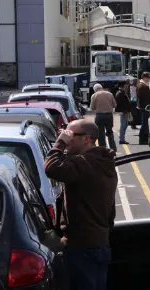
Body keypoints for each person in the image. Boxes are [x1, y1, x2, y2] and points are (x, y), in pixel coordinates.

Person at [44, 119, 117, 290]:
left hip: (82, 246)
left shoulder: (85, 164)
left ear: (86, 139)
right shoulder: (102, 161)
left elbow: (52, 168)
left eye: (71, 135)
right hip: (100, 243)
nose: (67, 138)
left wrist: (60, 144)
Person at [89, 84, 117, 150]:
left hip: (99, 116)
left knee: (100, 134)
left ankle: (103, 149)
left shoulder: (94, 95)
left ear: (95, 90)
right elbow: (115, 105)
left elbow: (92, 107)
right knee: (110, 132)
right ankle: (113, 148)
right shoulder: (110, 94)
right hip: (109, 115)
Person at [136, 73, 150, 145]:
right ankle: (142, 139)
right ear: (144, 77)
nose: (149, 79)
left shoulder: (144, 85)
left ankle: (143, 139)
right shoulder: (142, 86)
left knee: (145, 123)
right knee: (145, 123)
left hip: (146, 107)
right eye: (148, 77)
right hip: (145, 107)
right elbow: (142, 97)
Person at [115, 81, 134, 145]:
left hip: (124, 111)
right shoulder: (120, 93)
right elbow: (119, 103)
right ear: (123, 85)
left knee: (125, 124)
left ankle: (122, 138)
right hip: (123, 111)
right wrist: (125, 110)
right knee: (123, 125)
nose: (127, 86)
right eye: (126, 85)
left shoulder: (121, 92)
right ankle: (121, 139)